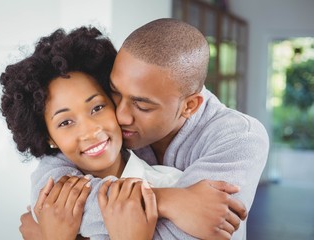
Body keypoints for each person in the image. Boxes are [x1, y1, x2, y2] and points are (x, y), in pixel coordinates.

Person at [20, 18, 268, 239]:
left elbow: (192, 233)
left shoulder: (239, 137)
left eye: (141, 105)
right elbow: (51, 200)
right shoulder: (101, 126)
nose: (121, 115)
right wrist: (169, 201)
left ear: (189, 106)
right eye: (115, 92)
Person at [0, 26, 190, 240]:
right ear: (48, 137)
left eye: (97, 108)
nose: (90, 130)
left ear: (114, 101)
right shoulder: (50, 196)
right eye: (65, 122)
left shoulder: (173, 183)